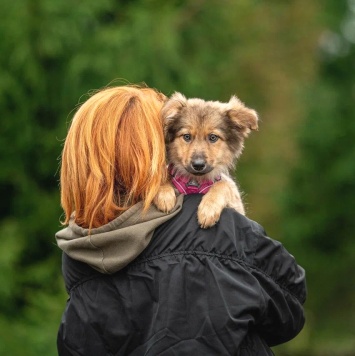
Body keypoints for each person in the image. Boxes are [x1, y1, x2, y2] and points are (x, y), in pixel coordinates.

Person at [56, 85, 307, 355]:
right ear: (153, 146)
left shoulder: (76, 254)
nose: (197, 153)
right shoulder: (219, 233)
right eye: (182, 136)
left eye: (212, 138)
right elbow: (288, 307)